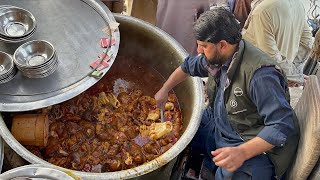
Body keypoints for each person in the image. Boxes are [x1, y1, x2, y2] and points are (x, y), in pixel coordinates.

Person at [155, 7, 299, 179]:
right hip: (223, 122)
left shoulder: (261, 75)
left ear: (222, 45)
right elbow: (187, 66)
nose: (199, 51)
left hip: (251, 141)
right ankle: (200, 166)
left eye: (203, 46)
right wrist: (164, 90)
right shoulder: (218, 56)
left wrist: (242, 152)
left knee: (231, 173)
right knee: (188, 130)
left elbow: (280, 125)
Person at [242, 0, 313, 86]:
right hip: (279, 77)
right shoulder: (297, 4)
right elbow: (306, 41)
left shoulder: (262, 10)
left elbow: (269, 55)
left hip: (262, 78)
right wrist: (292, 72)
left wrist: (291, 75)